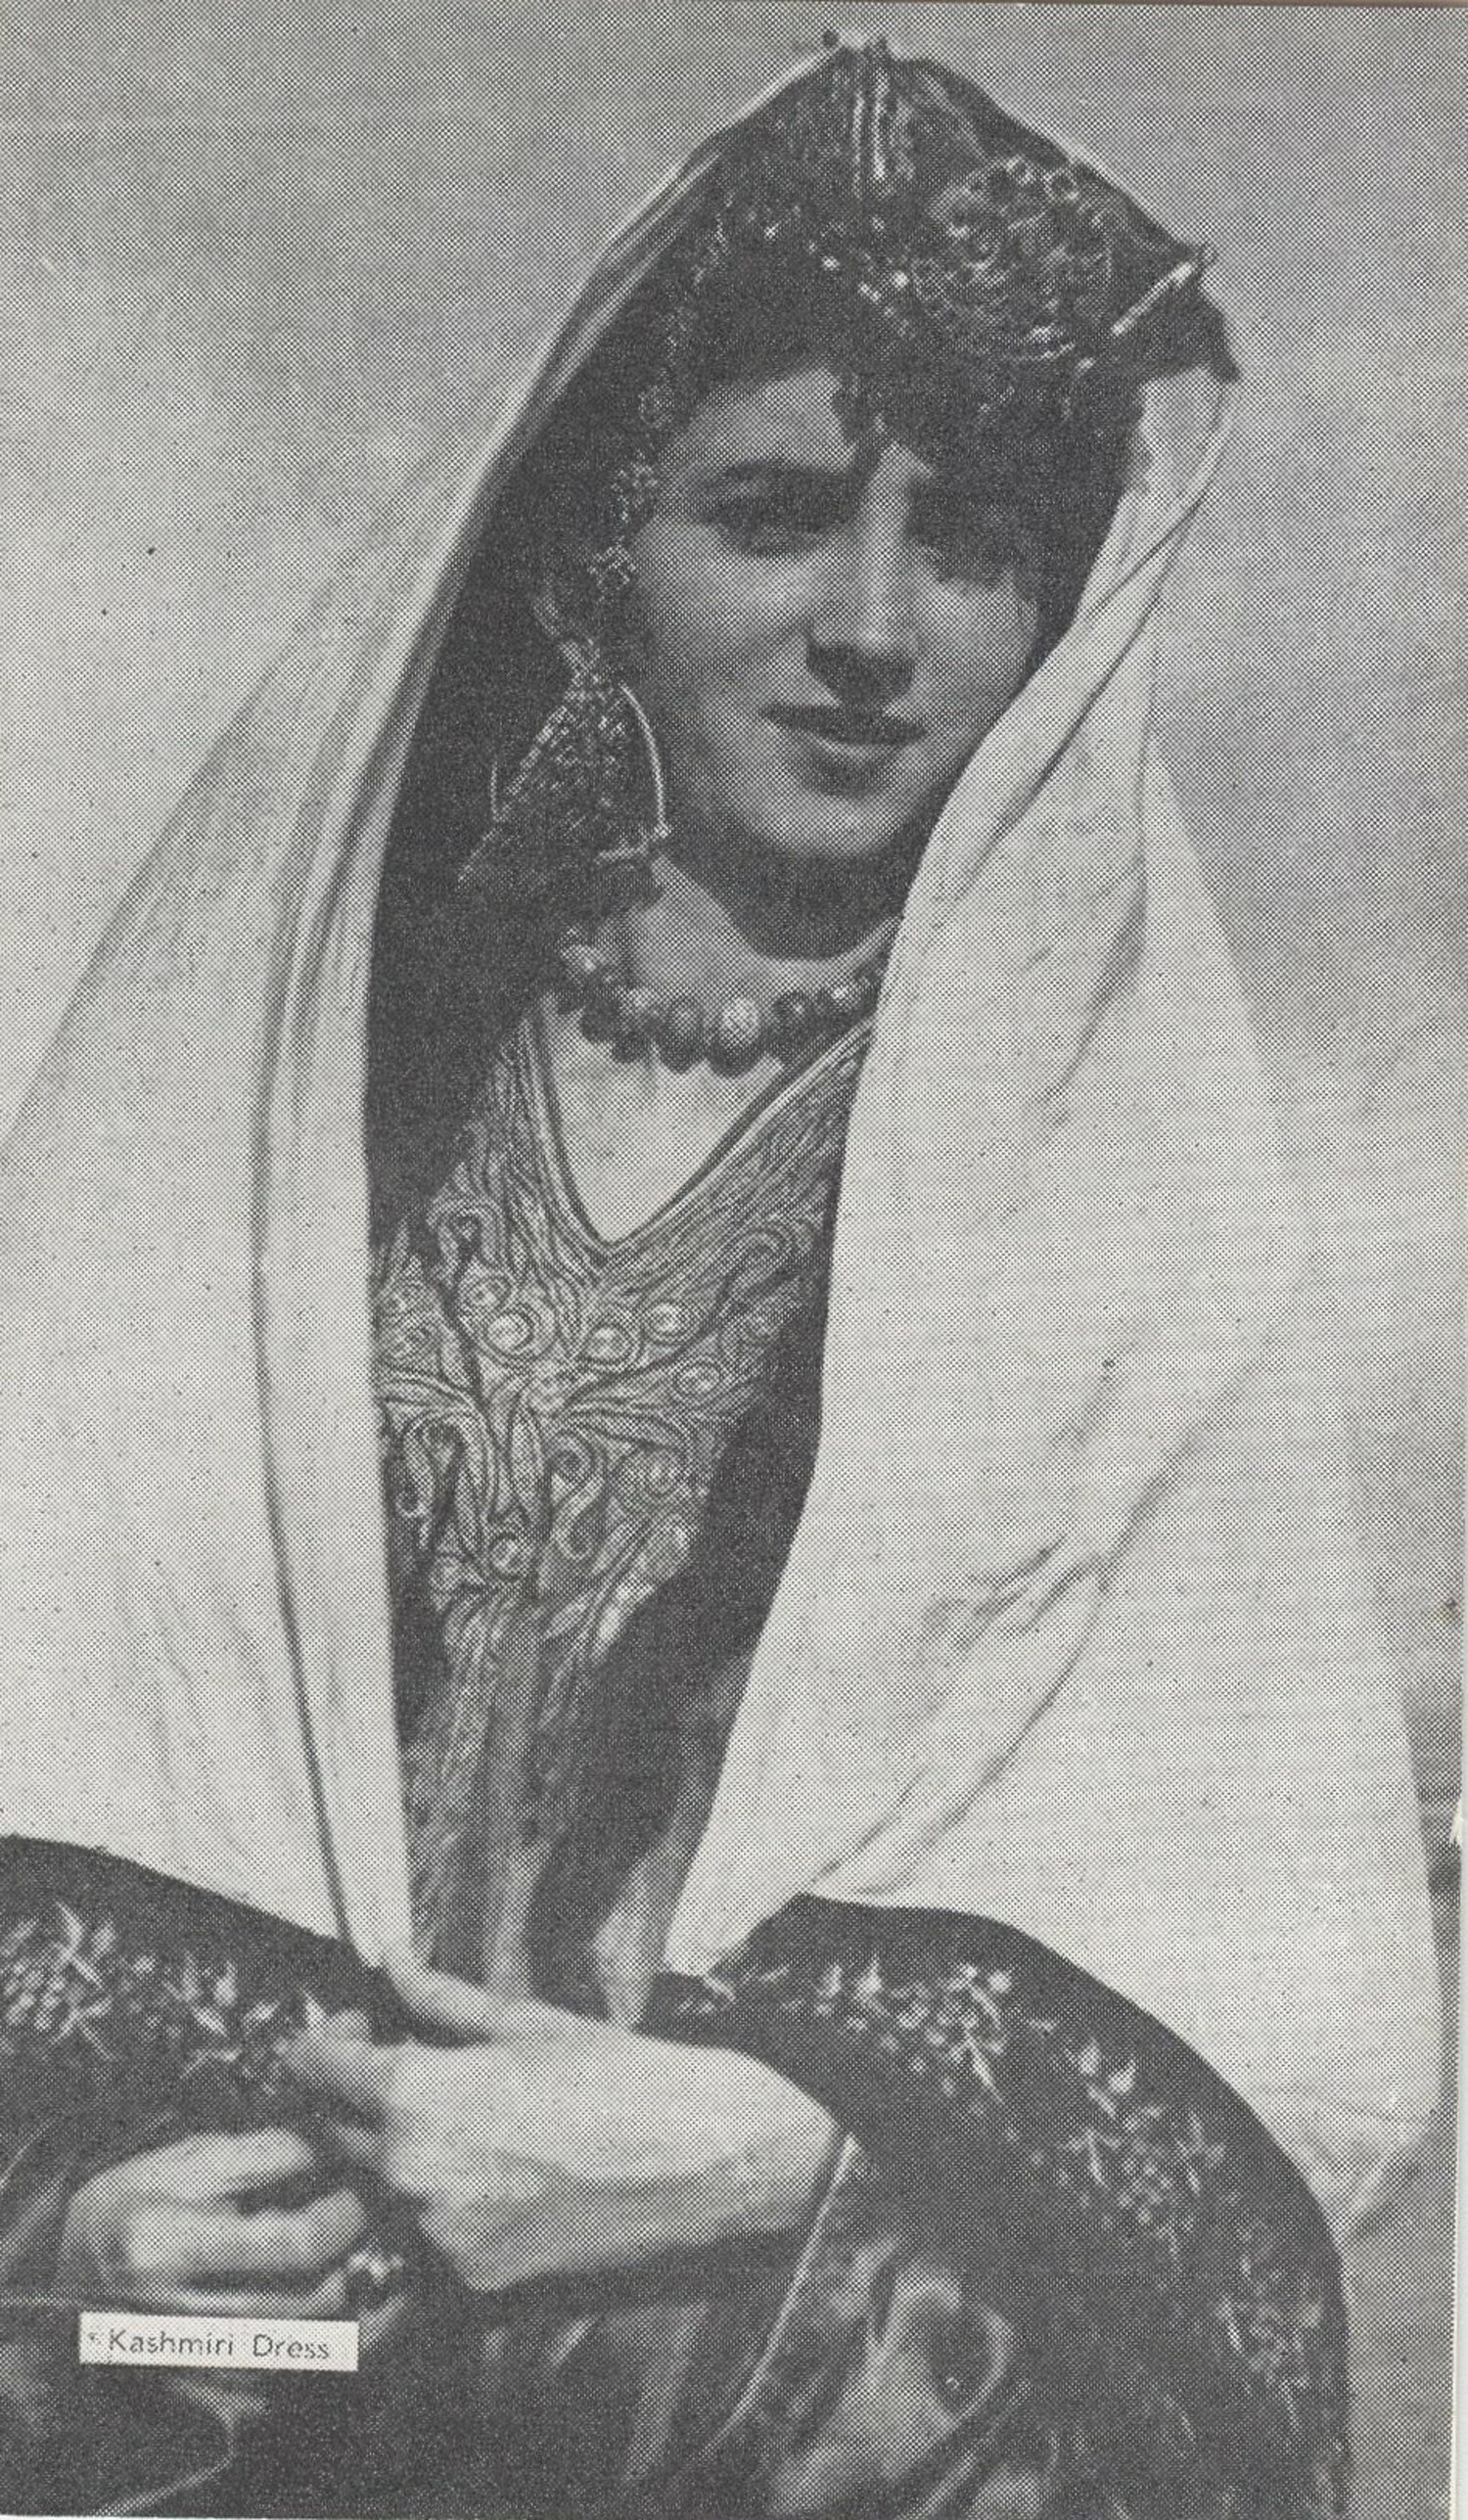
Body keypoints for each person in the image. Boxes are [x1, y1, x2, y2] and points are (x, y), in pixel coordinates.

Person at [0, 36, 1441, 2520]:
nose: (869, 628)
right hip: (248, 2429)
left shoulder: (1104, 1227)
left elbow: (1251, 2113)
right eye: (773, 514)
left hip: (790, 2433)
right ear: (605, 548)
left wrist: (766, 2161)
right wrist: (77, 2254)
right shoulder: (310, 1122)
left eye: (969, 541)